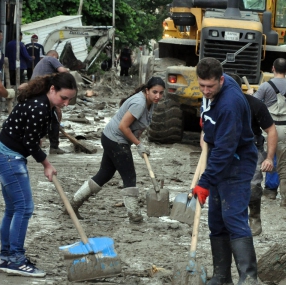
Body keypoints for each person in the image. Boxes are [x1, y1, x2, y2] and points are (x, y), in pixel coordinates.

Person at [0, 73, 77, 277]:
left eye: (70, 99)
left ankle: (5, 255)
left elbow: (31, 136)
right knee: (24, 208)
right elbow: (29, 142)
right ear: (52, 89)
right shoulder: (39, 107)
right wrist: (46, 164)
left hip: (6, 153)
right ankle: (15, 259)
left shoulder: (46, 105)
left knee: (13, 208)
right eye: (64, 98)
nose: (66, 103)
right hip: (9, 157)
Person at [192, 58, 258, 284]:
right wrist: (207, 120)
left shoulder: (230, 104)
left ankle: (248, 278)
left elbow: (225, 149)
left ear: (221, 80)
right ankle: (222, 276)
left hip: (237, 161)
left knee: (233, 217)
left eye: (210, 86)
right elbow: (211, 117)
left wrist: (205, 181)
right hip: (221, 159)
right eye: (201, 86)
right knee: (217, 220)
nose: (205, 90)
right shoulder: (213, 87)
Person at [68, 77, 165, 223]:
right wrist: (138, 144)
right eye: (155, 92)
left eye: (161, 93)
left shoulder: (152, 103)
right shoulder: (139, 103)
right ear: (147, 91)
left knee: (104, 174)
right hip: (115, 139)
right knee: (129, 176)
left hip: (111, 137)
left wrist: (138, 143)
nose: (158, 96)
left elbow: (139, 126)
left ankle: (72, 206)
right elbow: (123, 126)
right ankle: (135, 216)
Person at [228, 72, 277, 236]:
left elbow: (271, 130)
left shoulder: (255, 105)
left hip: (252, 149)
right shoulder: (217, 104)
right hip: (227, 149)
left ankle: (254, 217)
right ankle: (233, 220)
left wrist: (269, 158)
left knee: (253, 185)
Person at [253, 58, 286, 207]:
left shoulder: (265, 86)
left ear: (272, 68)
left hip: (267, 128)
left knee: (261, 160)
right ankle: (285, 199)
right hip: (285, 129)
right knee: (285, 164)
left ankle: (260, 193)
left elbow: (255, 108)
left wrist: (249, 93)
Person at [31, 50, 70, 154]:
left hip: (34, 92)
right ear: (54, 55)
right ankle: (54, 146)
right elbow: (63, 71)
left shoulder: (40, 64)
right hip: (43, 92)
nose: (57, 60)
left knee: (39, 118)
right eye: (57, 58)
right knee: (54, 116)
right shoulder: (51, 59)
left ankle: (34, 142)